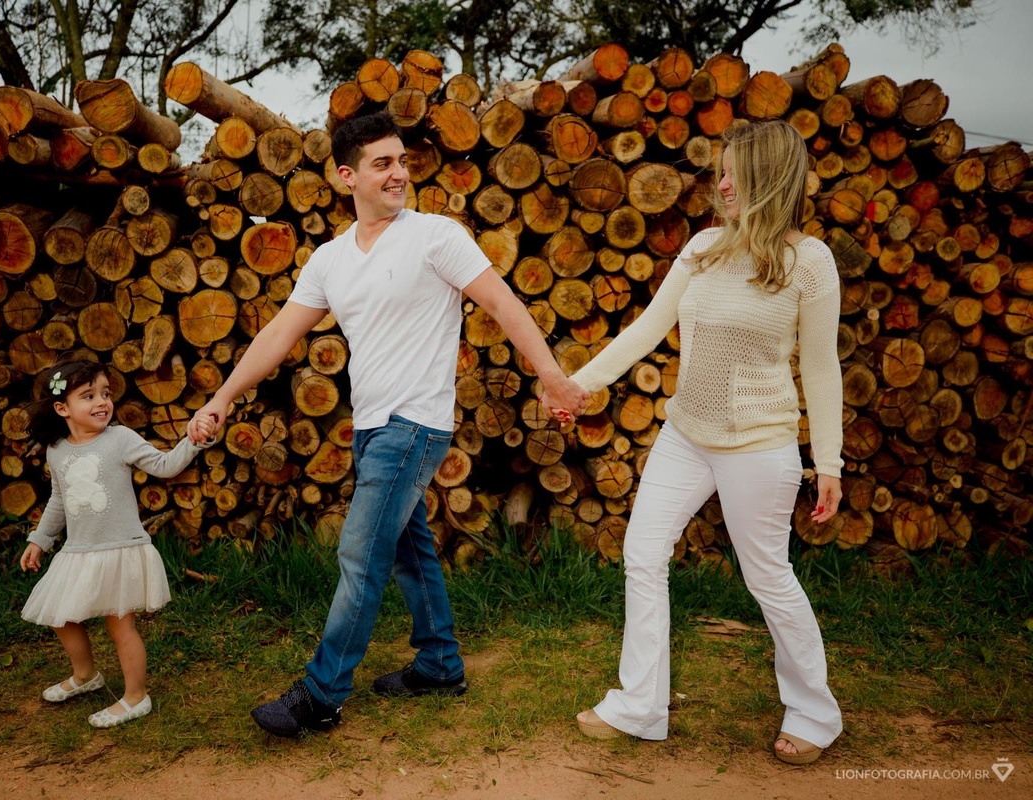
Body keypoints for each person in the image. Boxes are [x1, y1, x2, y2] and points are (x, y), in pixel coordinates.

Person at [187, 111, 589, 737]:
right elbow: (277, 336)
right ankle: (440, 665)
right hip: (372, 426)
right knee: (407, 548)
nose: (399, 173)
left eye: (402, 161)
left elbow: (502, 302)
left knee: (360, 553)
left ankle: (321, 694)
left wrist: (551, 375)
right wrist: (221, 399)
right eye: (383, 164)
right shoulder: (330, 259)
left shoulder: (436, 236)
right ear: (347, 176)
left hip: (415, 422)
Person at [556, 119, 844, 765]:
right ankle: (640, 705)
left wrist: (828, 461)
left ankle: (814, 714)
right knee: (642, 554)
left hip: (760, 445)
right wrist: (579, 386)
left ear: (768, 178)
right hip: (686, 434)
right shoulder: (705, 247)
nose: (722, 184)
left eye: (735, 173)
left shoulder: (810, 263)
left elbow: (822, 367)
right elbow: (648, 329)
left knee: (768, 577)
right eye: (721, 172)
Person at [20, 357, 215, 728]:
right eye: (88, 395)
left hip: (121, 548)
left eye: (105, 393)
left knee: (120, 626)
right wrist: (40, 540)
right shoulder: (57, 451)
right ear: (62, 408)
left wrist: (194, 441)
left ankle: (136, 697)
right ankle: (85, 675)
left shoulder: (120, 439)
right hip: (79, 552)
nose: (102, 402)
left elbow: (164, 466)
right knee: (61, 616)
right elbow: (59, 499)